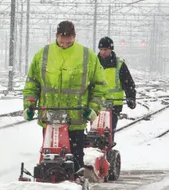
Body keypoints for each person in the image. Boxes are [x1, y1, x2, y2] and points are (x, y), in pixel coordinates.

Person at [22, 21, 106, 172]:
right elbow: (32, 84)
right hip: (49, 118)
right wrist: (29, 105)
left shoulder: (87, 56)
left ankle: (77, 182)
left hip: (75, 118)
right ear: (56, 36)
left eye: (69, 41)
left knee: (75, 160)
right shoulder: (43, 54)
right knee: (48, 156)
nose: (65, 44)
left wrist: (93, 108)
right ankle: (47, 179)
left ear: (74, 37)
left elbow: (99, 86)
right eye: (62, 41)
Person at [97, 36, 136, 132]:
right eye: (101, 49)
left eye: (105, 49)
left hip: (114, 105)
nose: (103, 52)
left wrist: (131, 98)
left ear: (111, 49)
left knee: (108, 132)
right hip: (96, 103)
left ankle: (108, 146)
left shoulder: (120, 64)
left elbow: (128, 83)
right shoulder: (94, 63)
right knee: (95, 131)